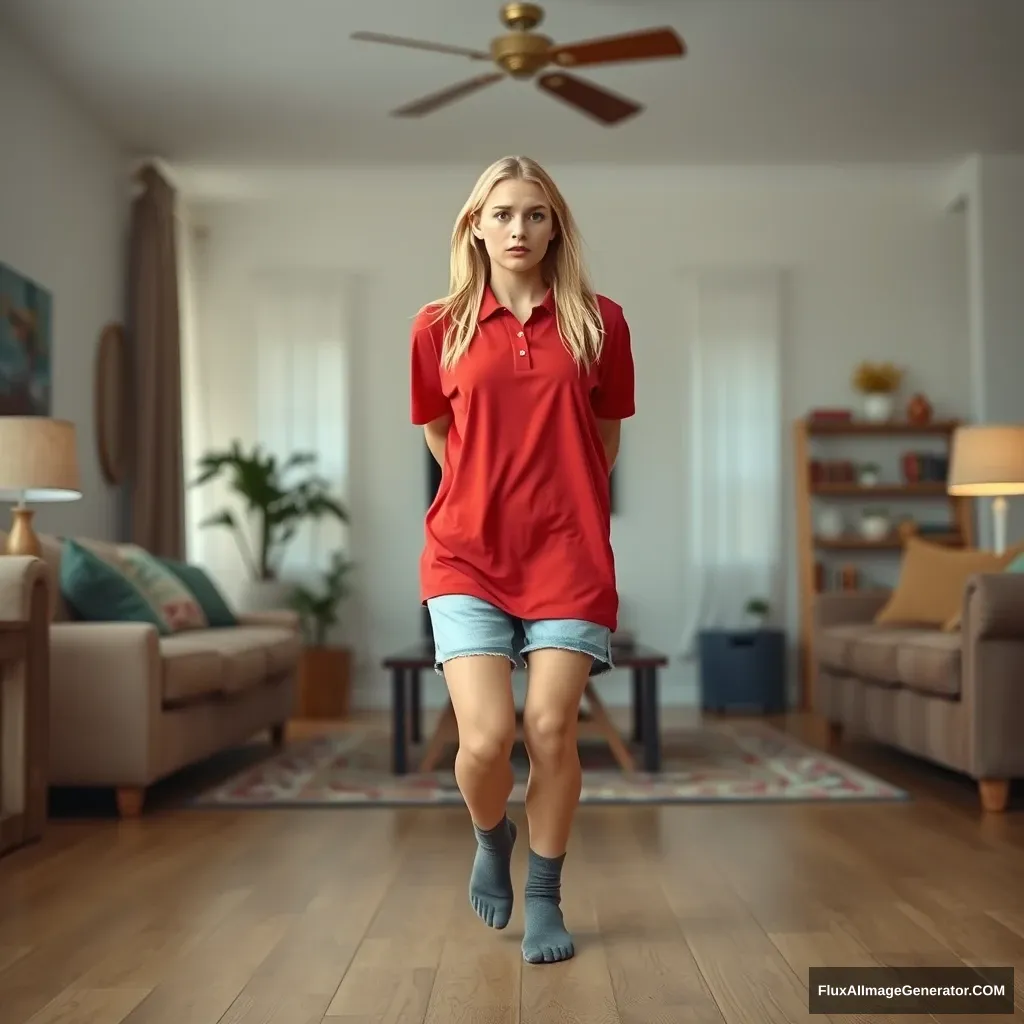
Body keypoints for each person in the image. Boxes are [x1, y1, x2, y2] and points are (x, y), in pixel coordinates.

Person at [409, 155, 635, 965]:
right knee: (484, 740)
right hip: (464, 554)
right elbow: (441, 436)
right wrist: (487, 494)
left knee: (549, 729)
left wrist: (561, 506)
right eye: (501, 213)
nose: (518, 229)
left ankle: (544, 892)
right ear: (474, 225)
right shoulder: (437, 326)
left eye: (534, 215)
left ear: (555, 226)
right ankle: (488, 834)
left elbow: (605, 440)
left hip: (568, 557)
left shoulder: (601, 321)